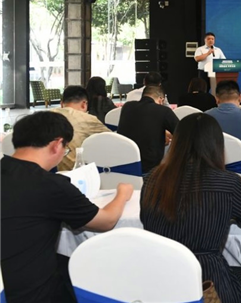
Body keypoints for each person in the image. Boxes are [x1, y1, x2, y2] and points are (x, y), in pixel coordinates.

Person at [1, 111, 133, 303]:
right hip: (32, 293)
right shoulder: (50, 185)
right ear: (57, 144)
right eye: (66, 149)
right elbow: (106, 221)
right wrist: (122, 194)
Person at [140, 113, 241, 303]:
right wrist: (229, 214)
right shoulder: (227, 183)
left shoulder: (153, 179)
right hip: (209, 286)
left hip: (161, 283)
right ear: (217, 145)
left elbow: (146, 218)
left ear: (177, 143)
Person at [117, 86, 179, 173]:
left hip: (124, 164)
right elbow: (182, 133)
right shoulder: (164, 111)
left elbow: (141, 127)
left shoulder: (127, 106)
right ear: (161, 100)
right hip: (149, 169)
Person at [52, 85, 110, 171]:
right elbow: (113, 140)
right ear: (84, 104)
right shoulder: (87, 119)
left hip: (44, 169)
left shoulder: (45, 115)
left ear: (61, 104)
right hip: (74, 171)